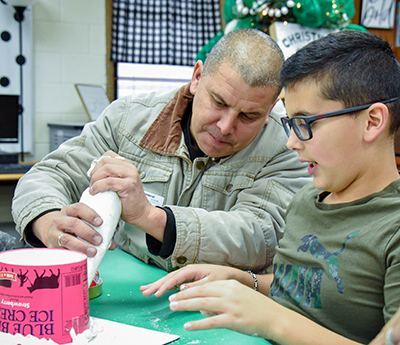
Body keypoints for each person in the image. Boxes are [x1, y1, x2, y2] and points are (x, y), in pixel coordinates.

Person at [140, 29, 400, 344]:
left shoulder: (392, 227)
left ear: (372, 121)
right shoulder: (308, 200)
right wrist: (245, 281)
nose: (291, 142)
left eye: (306, 124)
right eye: (290, 124)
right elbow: (305, 286)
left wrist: (272, 320)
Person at [11, 28, 310, 272]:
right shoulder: (128, 119)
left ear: (272, 107)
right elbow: (49, 175)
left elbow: (261, 236)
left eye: (249, 116)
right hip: (126, 278)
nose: (225, 126)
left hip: (220, 302)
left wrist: (150, 217)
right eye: (218, 102)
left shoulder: (287, 145)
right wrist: (49, 222)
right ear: (197, 77)